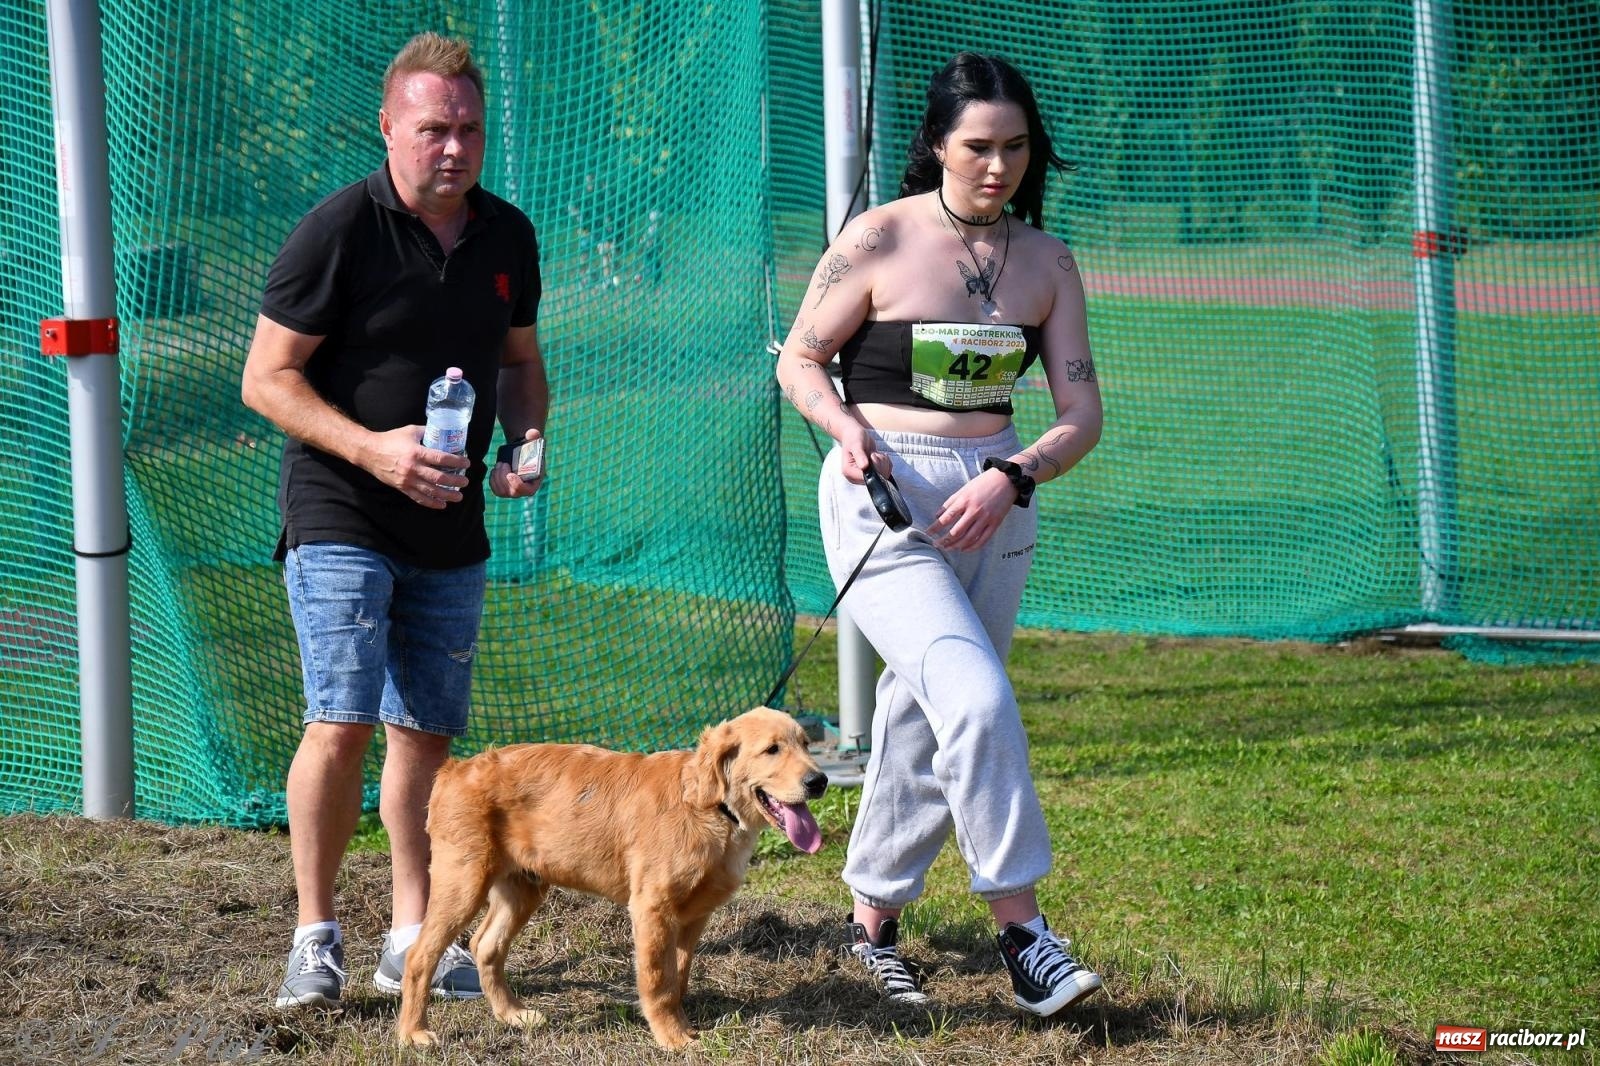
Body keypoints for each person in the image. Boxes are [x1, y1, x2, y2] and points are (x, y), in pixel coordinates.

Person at [773, 52, 1105, 1017]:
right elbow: (800, 360)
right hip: (883, 497)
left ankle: (871, 927)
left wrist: (1014, 474)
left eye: (1014, 148)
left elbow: (1080, 415)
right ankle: (1025, 933)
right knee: (976, 696)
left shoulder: (1049, 262)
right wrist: (845, 429)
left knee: (926, 715)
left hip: (994, 503)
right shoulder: (876, 238)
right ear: (935, 145)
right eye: (976, 148)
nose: (996, 167)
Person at [240, 31, 548, 1010]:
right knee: (342, 720)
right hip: (341, 510)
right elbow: (265, 378)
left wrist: (524, 445)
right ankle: (314, 935)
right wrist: (375, 449)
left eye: (467, 130)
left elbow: (520, 365)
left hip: (450, 528)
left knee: (425, 736)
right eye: (431, 130)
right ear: (388, 129)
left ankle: (411, 935)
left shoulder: (507, 236)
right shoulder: (338, 231)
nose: (452, 148)